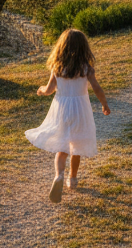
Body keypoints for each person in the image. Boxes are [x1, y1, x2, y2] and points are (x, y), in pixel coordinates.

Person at [25, 28, 111, 203]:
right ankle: (72, 179)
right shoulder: (86, 69)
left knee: (62, 147)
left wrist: (41, 90)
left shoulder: (57, 68)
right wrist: (104, 104)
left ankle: (59, 175)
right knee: (76, 146)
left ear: (61, 47)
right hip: (80, 111)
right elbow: (97, 88)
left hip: (62, 110)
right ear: (83, 48)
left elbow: (49, 90)